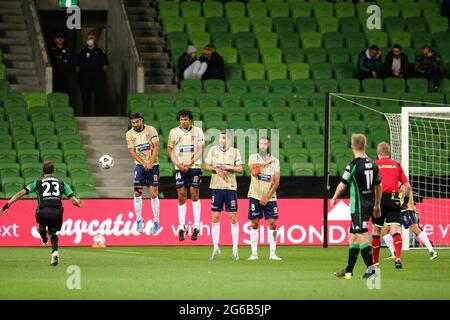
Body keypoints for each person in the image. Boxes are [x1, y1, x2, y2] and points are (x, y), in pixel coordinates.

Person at [0, 161, 82, 266]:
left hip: (42, 210)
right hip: (57, 211)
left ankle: (43, 239)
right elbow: (74, 201)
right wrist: (79, 203)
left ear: (43, 172)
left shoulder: (37, 183)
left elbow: (21, 193)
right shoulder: (62, 183)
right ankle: (55, 251)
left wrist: (7, 204)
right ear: (54, 171)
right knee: (53, 231)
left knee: (41, 226)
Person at [331, 134, 382, 279]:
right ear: (365, 145)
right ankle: (348, 270)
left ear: (352, 146)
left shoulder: (353, 165)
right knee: (352, 236)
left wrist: (334, 198)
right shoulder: (373, 164)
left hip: (358, 207)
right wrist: (377, 204)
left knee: (361, 236)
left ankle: (372, 270)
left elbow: (342, 185)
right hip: (369, 203)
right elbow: (379, 185)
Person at [203, 131, 243, 261]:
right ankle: (215, 247)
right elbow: (205, 165)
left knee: (233, 217)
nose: (222, 140)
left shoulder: (235, 151)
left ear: (229, 139)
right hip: (216, 188)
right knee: (215, 217)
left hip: (231, 188)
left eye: (224, 138)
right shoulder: (213, 150)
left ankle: (235, 248)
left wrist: (228, 168)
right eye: (220, 138)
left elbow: (241, 168)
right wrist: (216, 170)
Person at [167, 109, 205, 241]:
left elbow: (201, 149)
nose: (183, 121)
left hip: (194, 167)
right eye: (181, 119)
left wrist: (190, 163)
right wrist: (179, 164)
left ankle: (196, 226)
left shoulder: (198, 131)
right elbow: (170, 149)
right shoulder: (173, 132)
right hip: (179, 168)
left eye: (185, 119)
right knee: (181, 196)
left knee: (194, 194)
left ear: (190, 120)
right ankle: (182, 227)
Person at [372, 142, 410, 269]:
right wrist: (405, 202)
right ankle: (398, 259)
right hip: (394, 200)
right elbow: (407, 186)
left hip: (380, 199)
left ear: (378, 153)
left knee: (376, 230)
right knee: (395, 230)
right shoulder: (396, 164)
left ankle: (376, 262)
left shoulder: (375, 165)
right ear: (389, 152)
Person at [126, 112, 161, 235]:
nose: (135, 124)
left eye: (137, 122)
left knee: (153, 193)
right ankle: (139, 219)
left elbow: (156, 146)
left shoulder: (151, 130)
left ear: (142, 121)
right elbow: (132, 151)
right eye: (133, 122)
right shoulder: (129, 134)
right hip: (140, 166)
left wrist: (150, 162)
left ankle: (156, 221)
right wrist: (143, 163)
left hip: (154, 165)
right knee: (137, 192)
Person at [247, 136, 281, 261]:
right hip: (255, 195)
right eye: (261, 143)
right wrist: (266, 163)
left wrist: (267, 196)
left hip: (270, 198)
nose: (262, 145)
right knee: (254, 223)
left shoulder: (276, 161)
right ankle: (254, 253)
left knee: (273, 223)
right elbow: (254, 173)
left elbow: (276, 182)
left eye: (265, 143)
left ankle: (272, 253)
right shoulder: (253, 157)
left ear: (269, 145)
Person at [397, 185, 438, 260]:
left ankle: (431, 250)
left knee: (415, 229)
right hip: (403, 211)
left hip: (406, 211)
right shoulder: (402, 185)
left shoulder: (402, 186)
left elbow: (404, 197)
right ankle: (393, 252)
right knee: (386, 230)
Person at [76, 31, 108, 115]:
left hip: (97, 79)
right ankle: (86, 115)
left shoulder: (100, 51)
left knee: (99, 97)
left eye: (91, 38)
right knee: (86, 98)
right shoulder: (82, 52)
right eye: (88, 38)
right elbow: (77, 67)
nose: (90, 40)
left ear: (95, 39)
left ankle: (99, 115)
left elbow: (105, 67)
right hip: (85, 80)